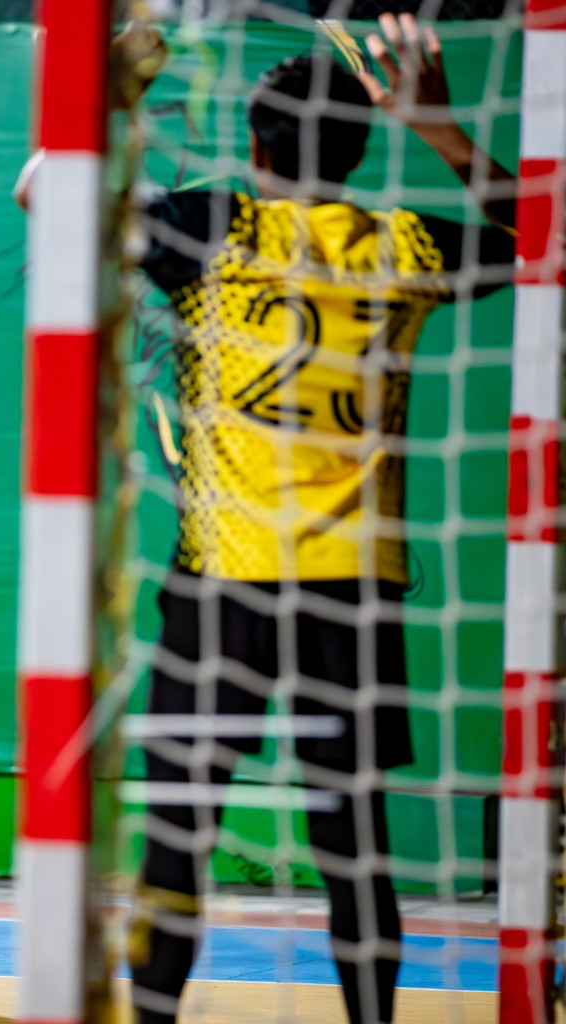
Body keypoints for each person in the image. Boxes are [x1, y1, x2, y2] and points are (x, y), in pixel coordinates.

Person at [104, 15, 515, 1024]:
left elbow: (49, 197)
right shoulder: (404, 244)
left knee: (178, 835)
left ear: (255, 148)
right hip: (352, 595)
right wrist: (447, 135)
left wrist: (110, 98)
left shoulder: (216, 228)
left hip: (223, 586)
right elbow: (546, 240)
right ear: (361, 147)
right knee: (353, 842)